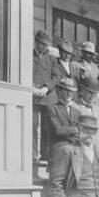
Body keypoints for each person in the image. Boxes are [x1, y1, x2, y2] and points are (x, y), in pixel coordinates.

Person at [33, 30, 59, 161]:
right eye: (42, 44)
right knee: (32, 125)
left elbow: (56, 77)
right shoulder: (28, 55)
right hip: (32, 95)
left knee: (47, 127)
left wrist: (46, 87)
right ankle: (32, 155)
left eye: (46, 45)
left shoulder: (51, 58)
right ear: (36, 42)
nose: (44, 47)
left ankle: (45, 155)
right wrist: (32, 87)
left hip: (47, 96)